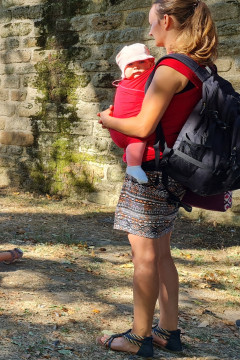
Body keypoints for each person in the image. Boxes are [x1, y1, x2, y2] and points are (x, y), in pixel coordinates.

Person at [97, 0, 217, 356]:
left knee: (144, 257)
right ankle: (168, 330)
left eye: (152, 24)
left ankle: (138, 337)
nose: (150, 32)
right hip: (173, 173)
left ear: (166, 20)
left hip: (151, 172)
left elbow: (142, 126)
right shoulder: (199, 65)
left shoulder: (170, 68)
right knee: (162, 254)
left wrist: (107, 119)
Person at [109, 43, 156, 184]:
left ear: (150, 64)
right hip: (125, 127)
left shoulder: (140, 80)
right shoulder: (127, 83)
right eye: (130, 64)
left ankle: (133, 164)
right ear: (123, 69)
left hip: (118, 126)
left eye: (142, 62)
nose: (136, 66)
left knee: (135, 143)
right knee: (137, 139)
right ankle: (133, 166)